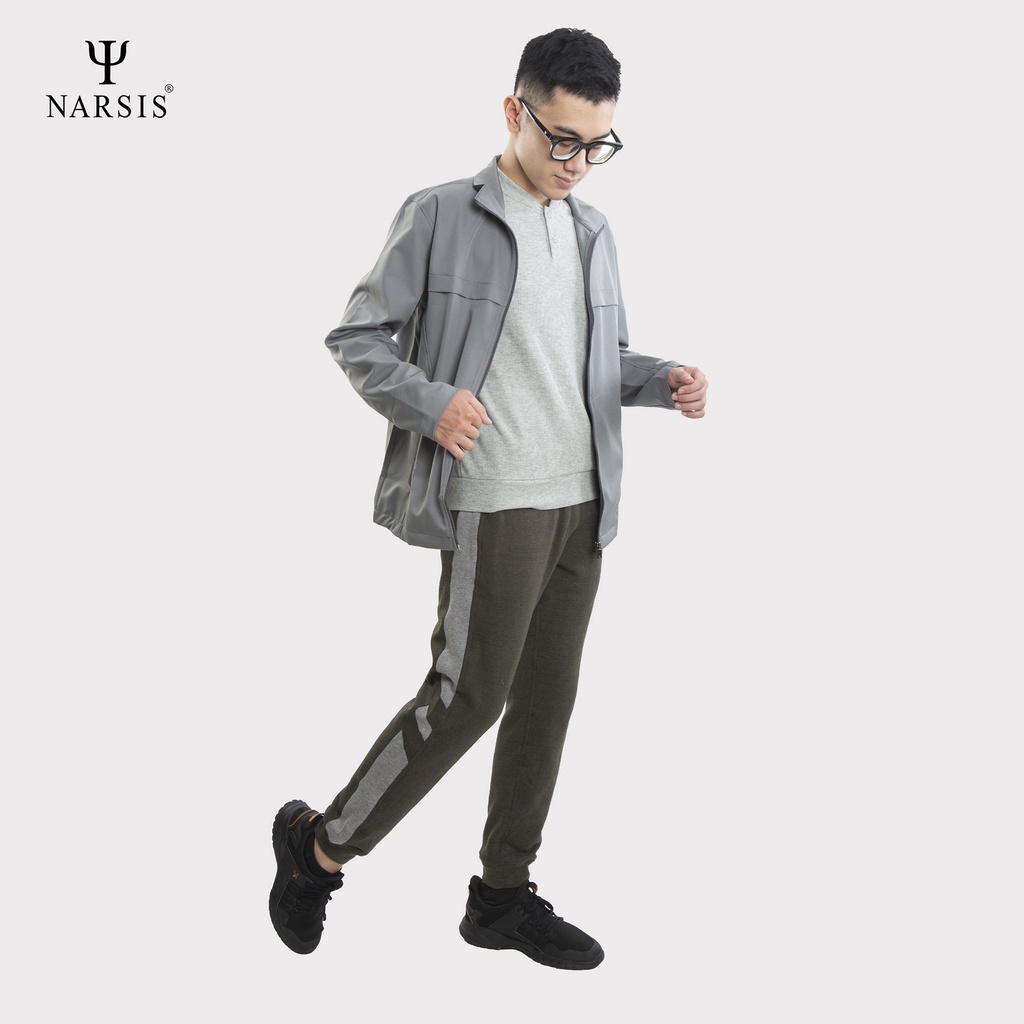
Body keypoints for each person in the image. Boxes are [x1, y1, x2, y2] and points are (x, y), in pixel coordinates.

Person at [269, 27, 708, 970]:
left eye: (597, 145)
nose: (577, 162)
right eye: (561, 138)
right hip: (496, 501)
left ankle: (501, 897)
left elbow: (595, 362)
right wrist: (431, 403)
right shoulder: (439, 214)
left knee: (546, 705)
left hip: (583, 504)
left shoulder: (592, 230)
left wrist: (660, 378)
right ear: (515, 111)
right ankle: (319, 848)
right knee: (466, 699)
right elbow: (357, 336)